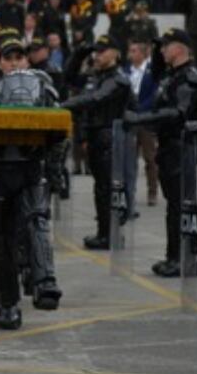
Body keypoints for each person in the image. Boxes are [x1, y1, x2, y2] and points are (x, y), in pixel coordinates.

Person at [0, 36, 64, 330]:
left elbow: (60, 128)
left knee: (37, 220)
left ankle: (45, 281)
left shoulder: (43, 86)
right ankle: (8, 302)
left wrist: (54, 171)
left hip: (30, 168)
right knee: (1, 242)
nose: (15, 63)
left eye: (20, 57)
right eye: (9, 57)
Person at [123, 30, 197, 278]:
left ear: (180, 48)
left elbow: (178, 113)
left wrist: (141, 118)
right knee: (174, 205)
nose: (161, 51)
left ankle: (185, 256)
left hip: (182, 146)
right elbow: (158, 69)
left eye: (166, 46)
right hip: (169, 146)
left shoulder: (191, 76)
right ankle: (174, 255)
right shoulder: (172, 75)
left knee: (183, 205)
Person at [62, 35, 132, 249]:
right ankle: (104, 233)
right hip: (95, 137)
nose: (98, 56)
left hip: (110, 137)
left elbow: (96, 99)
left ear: (115, 54)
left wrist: (65, 105)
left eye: (103, 51)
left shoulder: (117, 80)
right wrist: (80, 52)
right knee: (100, 189)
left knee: (110, 189)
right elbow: (69, 77)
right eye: (97, 52)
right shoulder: (96, 76)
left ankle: (111, 234)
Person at [123, 41, 159, 208]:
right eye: (130, 50)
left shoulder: (152, 71)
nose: (131, 54)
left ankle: (152, 191)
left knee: (150, 158)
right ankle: (129, 192)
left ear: (144, 54)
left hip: (145, 117)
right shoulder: (125, 71)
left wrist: (140, 109)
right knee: (129, 158)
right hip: (130, 118)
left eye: (134, 50)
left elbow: (154, 94)